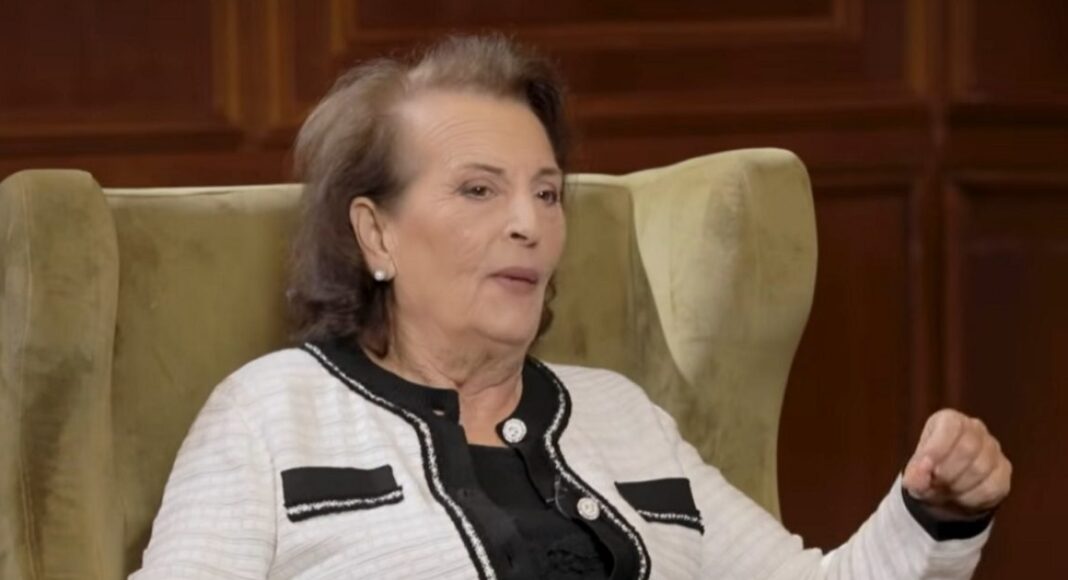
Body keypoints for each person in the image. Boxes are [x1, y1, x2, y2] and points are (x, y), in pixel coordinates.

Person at [130, 35, 1011, 580]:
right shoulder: (272, 414)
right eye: (479, 190)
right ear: (376, 233)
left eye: (547, 194)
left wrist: (935, 510)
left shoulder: (620, 417)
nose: (530, 224)